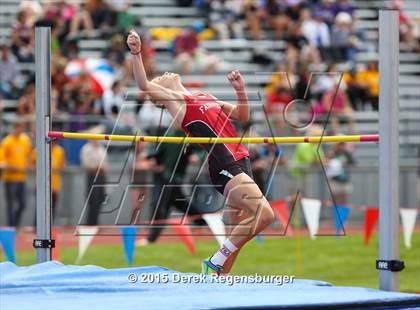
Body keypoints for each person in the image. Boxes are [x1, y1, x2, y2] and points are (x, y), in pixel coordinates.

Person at [127, 30, 274, 275]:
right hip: (224, 162)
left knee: (241, 231)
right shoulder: (177, 102)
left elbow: (242, 116)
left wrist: (240, 90)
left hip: (241, 159)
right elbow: (143, 84)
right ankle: (214, 261)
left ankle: (217, 278)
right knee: (265, 214)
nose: (165, 74)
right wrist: (136, 53)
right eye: (160, 78)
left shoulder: (204, 95)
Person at [1, 122, 32, 227]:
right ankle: (11, 226)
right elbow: (2, 162)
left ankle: (16, 225)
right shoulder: (7, 142)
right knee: (11, 204)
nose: (20, 130)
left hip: (22, 177)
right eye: (18, 128)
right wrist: (13, 167)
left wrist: (27, 164)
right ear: (14, 128)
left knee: (23, 204)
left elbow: (29, 155)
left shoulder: (25, 140)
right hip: (10, 178)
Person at [80, 139, 107, 225]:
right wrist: (96, 167)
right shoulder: (86, 149)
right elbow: (85, 164)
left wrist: (102, 168)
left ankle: (95, 222)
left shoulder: (101, 148)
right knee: (93, 199)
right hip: (92, 175)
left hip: (101, 176)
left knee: (100, 198)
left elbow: (105, 163)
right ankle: (90, 223)